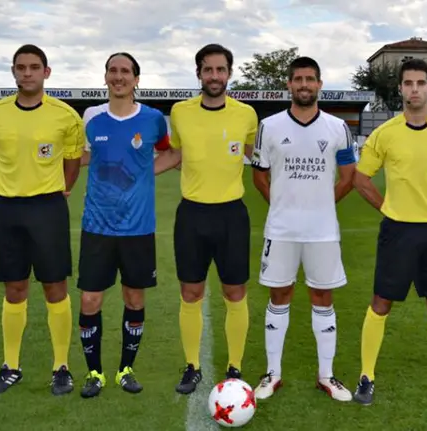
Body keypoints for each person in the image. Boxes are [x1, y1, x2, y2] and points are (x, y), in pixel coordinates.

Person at [351, 58, 427, 406]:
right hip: (397, 232)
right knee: (381, 302)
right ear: (401, 89)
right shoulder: (385, 133)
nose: (415, 89)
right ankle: (366, 377)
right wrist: (388, 207)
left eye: (421, 83)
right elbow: (361, 178)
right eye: (409, 83)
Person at [0, 44, 85, 396]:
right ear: (13, 71)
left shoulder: (66, 116)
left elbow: (72, 163)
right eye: (21, 67)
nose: (27, 73)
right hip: (7, 210)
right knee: (15, 289)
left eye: (34, 67)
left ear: (46, 72)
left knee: (55, 288)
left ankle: (61, 367)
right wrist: (13, 187)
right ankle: (11, 366)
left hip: (48, 209)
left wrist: (55, 191)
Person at [250, 56, 356, 402]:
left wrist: (322, 205)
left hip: (323, 232)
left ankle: (326, 376)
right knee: (278, 295)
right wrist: (282, 204)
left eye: (310, 79)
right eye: (298, 79)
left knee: (323, 297)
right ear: (289, 85)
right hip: (281, 229)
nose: (304, 84)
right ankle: (272, 373)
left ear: (319, 85)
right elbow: (259, 175)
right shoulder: (270, 126)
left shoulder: (338, 128)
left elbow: (348, 177)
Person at [154, 43, 258, 395]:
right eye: (208, 69)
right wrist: (136, 176)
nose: (214, 76)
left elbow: (258, 157)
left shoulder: (246, 115)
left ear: (229, 73)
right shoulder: (180, 112)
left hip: (231, 215)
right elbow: (177, 154)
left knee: (235, 291)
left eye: (221, 69)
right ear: (198, 73)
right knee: (191, 292)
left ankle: (235, 367)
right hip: (192, 215)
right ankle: (192, 366)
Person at [76, 52, 171, 398]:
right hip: (97, 227)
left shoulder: (153, 119)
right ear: (105, 77)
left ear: (136, 79)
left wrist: (146, 174)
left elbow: (171, 153)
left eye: (125, 72)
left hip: (138, 228)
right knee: (90, 300)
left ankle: (126, 370)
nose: (119, 77)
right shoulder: (91, 117)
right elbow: (84, 156)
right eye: (113, 71)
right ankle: (95, 374)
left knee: (134, 297)